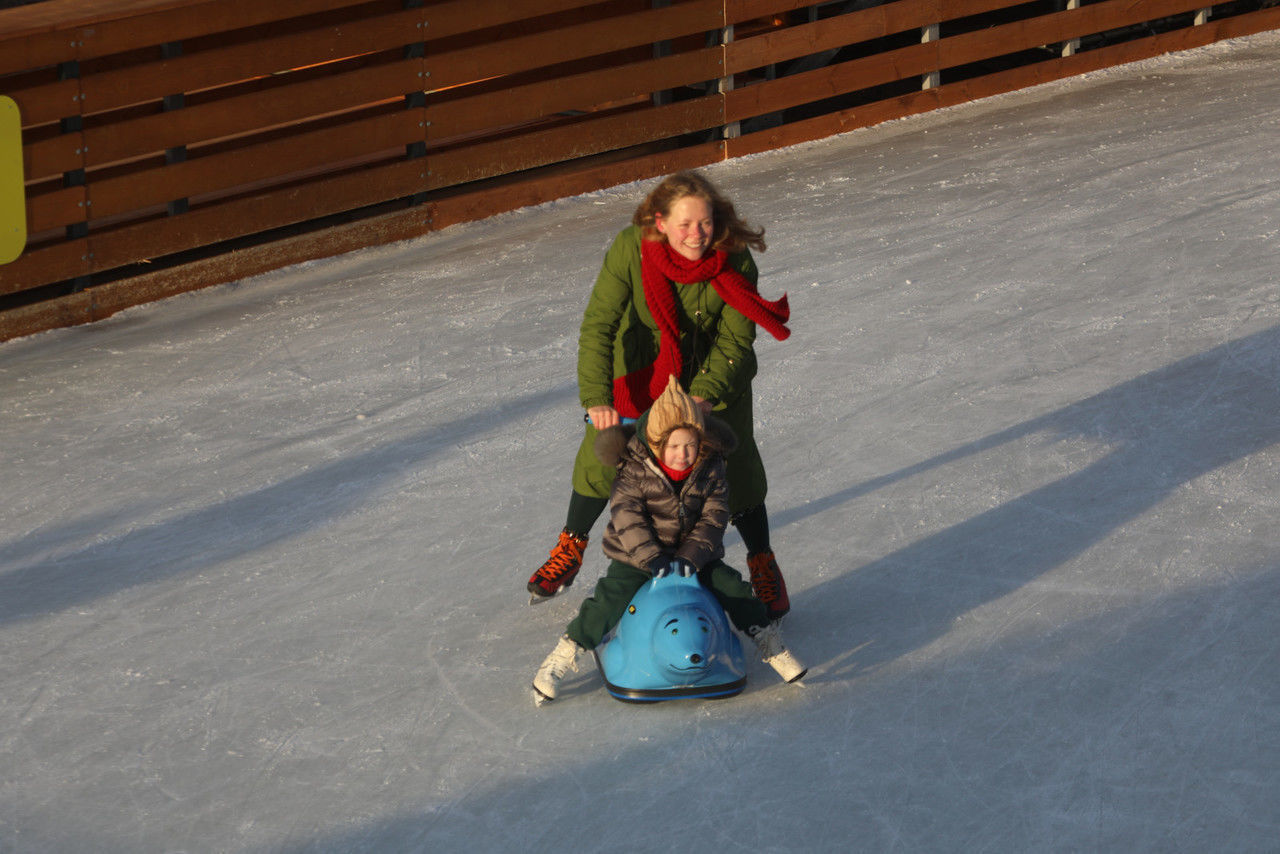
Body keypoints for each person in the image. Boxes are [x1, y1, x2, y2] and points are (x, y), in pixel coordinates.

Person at [526, 170, 793, 620]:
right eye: (685, 224)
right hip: (645, 366)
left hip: (717, 374)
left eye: (704, 223)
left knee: (736, 461)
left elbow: (735, 337)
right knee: (605, 452)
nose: (697, 235)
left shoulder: (734, 256)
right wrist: (597, 398)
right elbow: (599, 326)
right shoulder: (631, 249)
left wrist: (704, 396)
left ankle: (762, 559)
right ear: (660, 222)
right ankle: (571, 545)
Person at [532, 377, 805, 703]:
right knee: (608, 599)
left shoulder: (712, 464)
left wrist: (691, 555)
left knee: (734, 589)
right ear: (657, 442)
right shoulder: (634, 467)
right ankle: (563, 655)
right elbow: (627, 517)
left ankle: (769, 643)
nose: (683, 454)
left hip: (695, 556)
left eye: (690, 444)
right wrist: (650, 557)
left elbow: (714, 516)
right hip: (636, 556)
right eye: (674, 447)